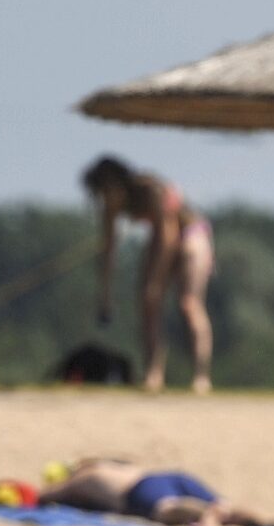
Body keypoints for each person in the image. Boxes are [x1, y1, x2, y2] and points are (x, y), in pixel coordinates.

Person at [83, 156, 214, 394]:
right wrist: (105, 294)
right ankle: (154, 374)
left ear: (114, 182)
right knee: (148, 303)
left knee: (189, 303)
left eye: (104, 191)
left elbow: (169, 233)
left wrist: (155, 280)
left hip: (191, 234)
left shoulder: (148, 187)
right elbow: (108, 250)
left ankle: (201, 377)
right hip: (162, 238)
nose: (103, 199)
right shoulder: (111, 207)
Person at [42, 457, 274, 526]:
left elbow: (44, 496)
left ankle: (204, 514)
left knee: (168, 510)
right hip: (172, 477)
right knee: (227, 509)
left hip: (139, 489)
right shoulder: (113, 465)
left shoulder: (84, 478)